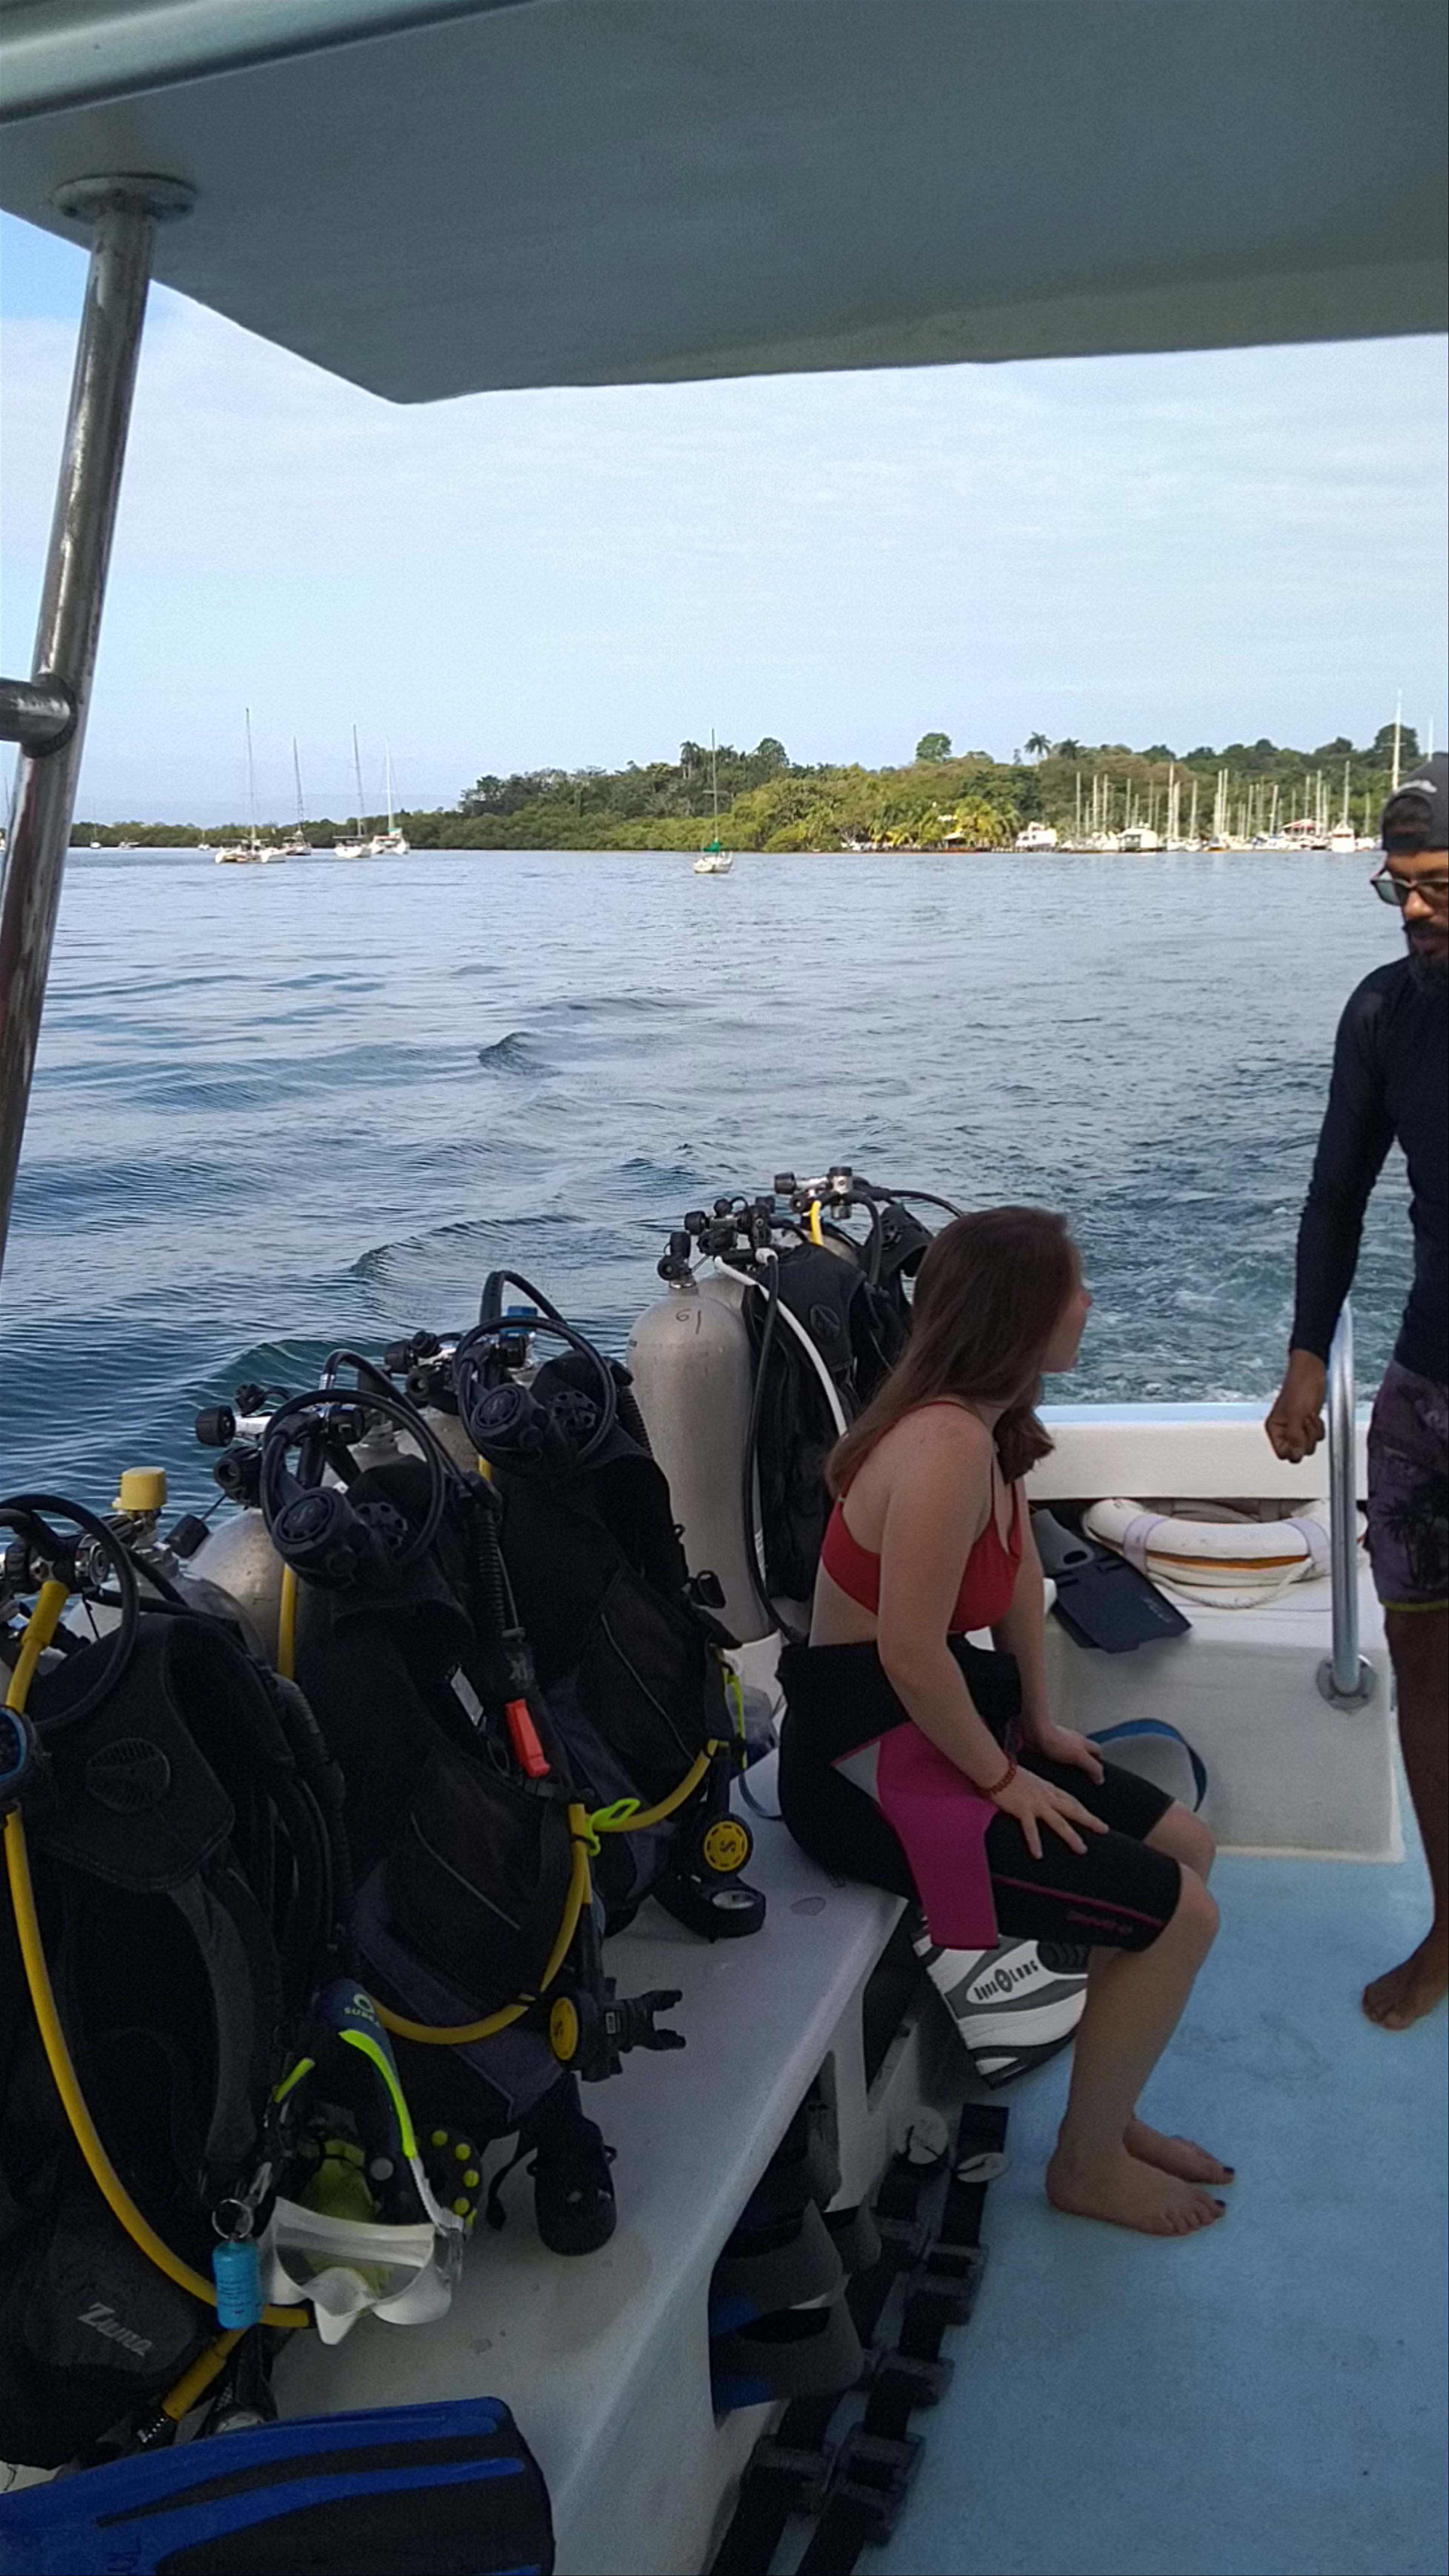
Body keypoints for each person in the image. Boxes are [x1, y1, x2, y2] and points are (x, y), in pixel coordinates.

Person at [777, 1207, 1227, 2236]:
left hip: (944, 1721)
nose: (1088, 1303)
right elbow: (907, 1652)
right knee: (1182, 1915)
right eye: (1073, 1287)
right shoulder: (938, 1446)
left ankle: (1108, 2123)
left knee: (1186, 1846)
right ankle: (1084, 2165)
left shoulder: (989, 1427)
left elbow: (1019, 1578)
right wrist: (997, 1778)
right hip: (861, 1768)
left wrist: (1041, 1727)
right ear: (1019, 1312)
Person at [1267, 752, 1448, 2030]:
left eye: (1438, 887)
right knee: (1425, 1666)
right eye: (1398, 890)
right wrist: (1306, 1353)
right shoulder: (1386, 1011)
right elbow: (1338, 1191)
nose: (1416, 914)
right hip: (1429, 1388)